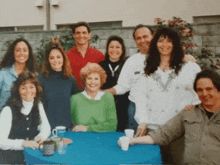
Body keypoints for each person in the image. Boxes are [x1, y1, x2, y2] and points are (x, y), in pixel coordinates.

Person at [105, 25, 196, 136]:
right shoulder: (133, 61)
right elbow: (123, 86)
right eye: (138, 38)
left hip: (169, 111)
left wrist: (195, 104)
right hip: (137, 108)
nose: (142, 40)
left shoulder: (181, 63)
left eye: (145, 36)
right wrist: (101, 93)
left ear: (153, 37)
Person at [120, 69, 220, 164]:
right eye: (200, 90)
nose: (204, 94)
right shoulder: (189, 113)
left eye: (209, 89)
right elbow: (162, 134)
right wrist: (131, 141)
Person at [0, 72, 50, 164]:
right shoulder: (8, 110)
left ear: (36, 90)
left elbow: (46, 128)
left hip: (31, 157)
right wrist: (23, 143)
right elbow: (1, 142)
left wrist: (41, 137)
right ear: (17, 91)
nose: (28, 91)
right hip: (10, 160)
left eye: (31, 87)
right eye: (23, 88)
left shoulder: (38, 104)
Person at [39, 42, 80, 130]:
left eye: (58, 57)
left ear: (63, 58)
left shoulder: (70, 79)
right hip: (47, 128)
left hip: (66, 127)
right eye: (52, 58)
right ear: (48, 60)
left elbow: (76, 102)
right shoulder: (41, 79)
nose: (55, 60)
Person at [70, 63, 117, 132]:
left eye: (96, 79)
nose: (92, 82)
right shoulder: (75, 99)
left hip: (103, 139)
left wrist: (87, 128)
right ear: (84, 81)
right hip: (81, 138)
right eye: (89, 78)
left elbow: (112, 126)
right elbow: (71, 124)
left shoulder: (108, 97)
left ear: (101, 81)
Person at [99, 35, 129, 132]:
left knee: (120, 133)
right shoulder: (100, 65)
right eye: (111, 47)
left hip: (123, 106)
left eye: (117, 47)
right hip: (104, 106)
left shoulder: (127, 64)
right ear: (107, 49)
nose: (114, 50)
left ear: (122, 49)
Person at [0, 38, 38, 111]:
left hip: (26, 120)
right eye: (18, 50)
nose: (22, 53)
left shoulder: (34, 75)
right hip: (4, 119)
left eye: (25, 50)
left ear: (29, 53)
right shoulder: (3, 74)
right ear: (13, 53)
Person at [67, 21, 104, 89]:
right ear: (74, 35)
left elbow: (103, 78)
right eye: (78, 33)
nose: (81, 36)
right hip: (73, 96)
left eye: (84, 33)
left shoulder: (99, 55)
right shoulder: (67, 56)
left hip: (93, 96)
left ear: (89, 34)